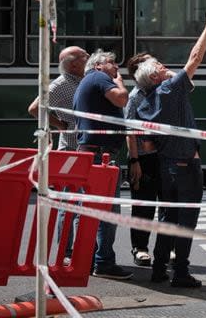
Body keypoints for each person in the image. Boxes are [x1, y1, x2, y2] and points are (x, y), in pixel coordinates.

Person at [135, 6, 206, 288]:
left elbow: (147, 140)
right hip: (185, 164)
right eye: (160, 67)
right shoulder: (169, 89)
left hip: (165, 164)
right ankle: (181, 272)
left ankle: (160, 268)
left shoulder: (145, 101)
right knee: (185, 221)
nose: (165, 67)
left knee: (168, 218)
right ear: (156, 77)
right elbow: (195, 58)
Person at [73, 49, 134, 280]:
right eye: (112, 63)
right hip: (100, 157)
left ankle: (85, 260)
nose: (117, 67)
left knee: (88, 210)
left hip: (92, 153)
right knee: (108, 213)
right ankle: (104, 262)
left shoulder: (89, 81)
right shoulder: (100, 78)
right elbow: (121, 99)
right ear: (98, 65)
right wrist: (119, 84)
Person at [27, 46, 89, 265]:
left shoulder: (82, 80)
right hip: (71, 150)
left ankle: (76, 249)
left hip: (81, 148)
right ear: (73, 64)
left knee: (81, 201)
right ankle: (66, 249)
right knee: (69, 202)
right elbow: (35, 108)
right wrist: (59, 124)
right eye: (85, 57)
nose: (89, 58)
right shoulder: (60, 85)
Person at [124, 52, 162, 267]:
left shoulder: (161, 90)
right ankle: (140, 247)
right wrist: (135, 161)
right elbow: (130, 131)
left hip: (163, 156)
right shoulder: (135, 96)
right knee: (143, 205)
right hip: (143, 158)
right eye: (152, 63)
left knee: (167, 204)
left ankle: (168, 248)